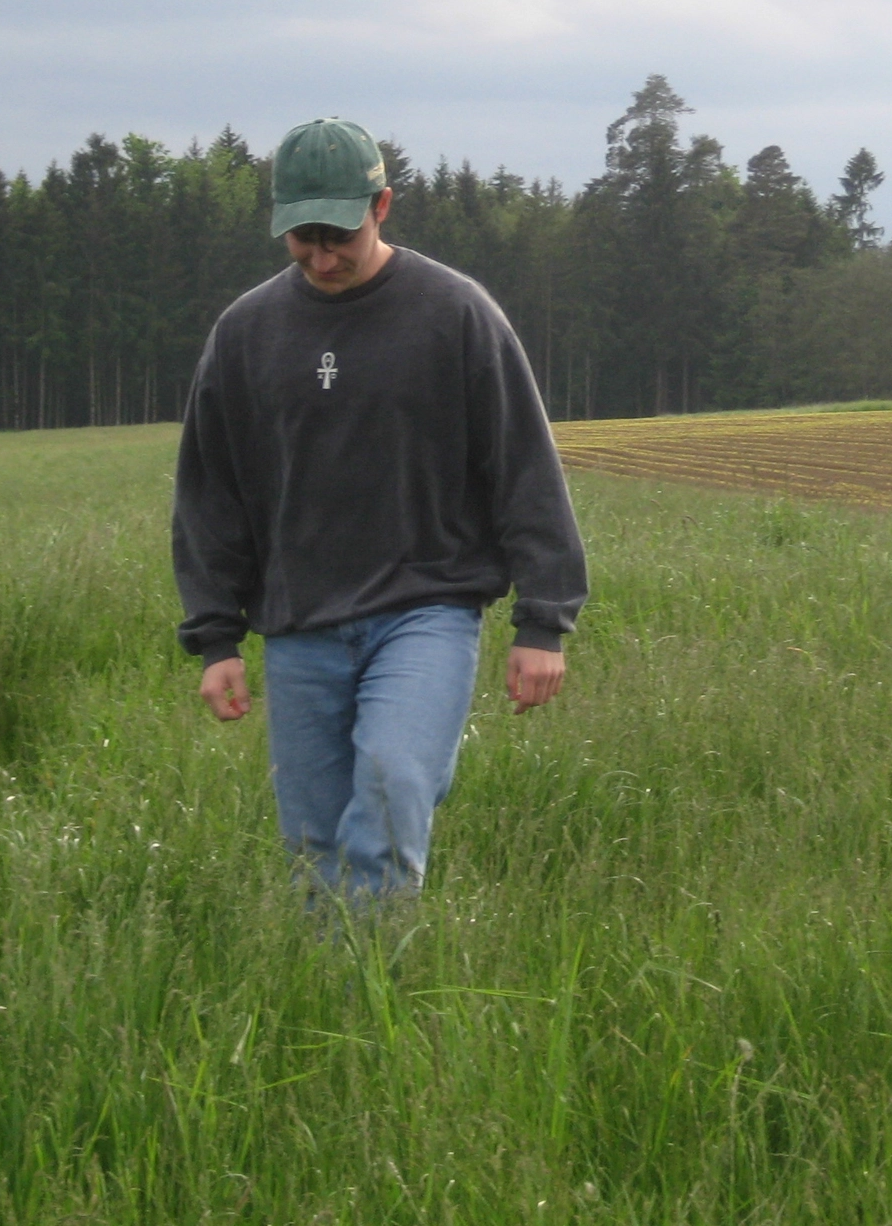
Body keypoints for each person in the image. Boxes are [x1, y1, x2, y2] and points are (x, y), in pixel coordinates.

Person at [172, 116, 588, 899]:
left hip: (424, 609)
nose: (323, 258)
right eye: (303, 240)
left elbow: (524, 466)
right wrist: (216, 638)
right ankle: (336, 1002)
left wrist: (544, 622)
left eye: (340, 236)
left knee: (394, 783)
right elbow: (208, 492)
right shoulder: (245, 333)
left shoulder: (455, 313)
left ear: (383, 205)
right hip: (299, 623)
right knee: (312, 844)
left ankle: (379, 976)